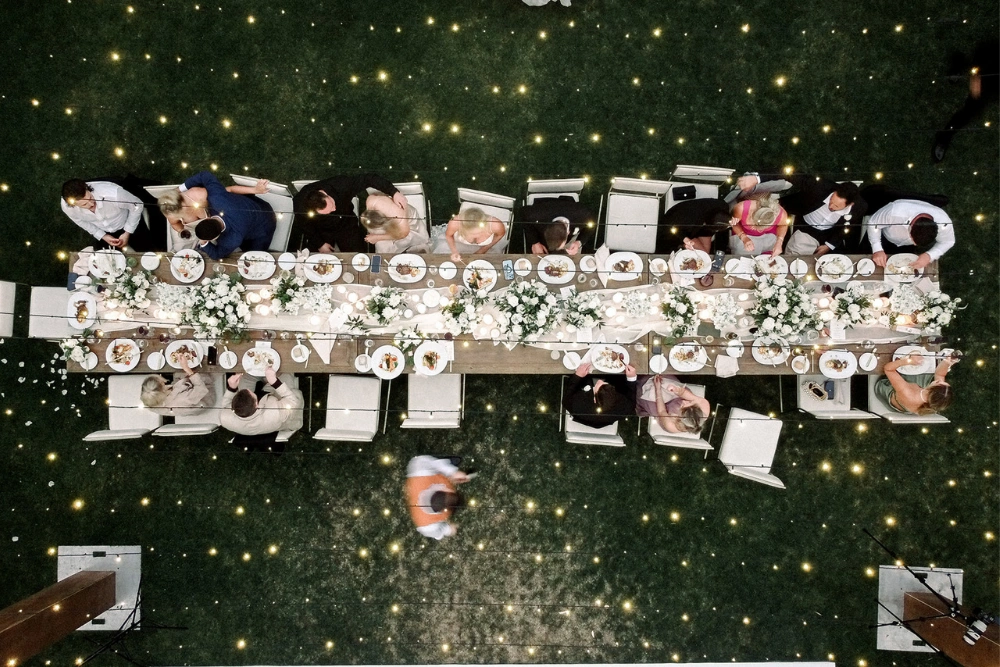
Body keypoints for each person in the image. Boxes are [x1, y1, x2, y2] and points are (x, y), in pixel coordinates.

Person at [731, 173, 867, 256]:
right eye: (831, 201)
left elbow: (846, 228)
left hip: (830, 233)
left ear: (850, 205)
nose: (830, 206)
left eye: (836, 207)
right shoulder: (818, 186)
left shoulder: (860, 207)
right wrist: (756, 178)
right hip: (806, 224)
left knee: (837, 263)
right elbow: (790, 173)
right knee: (795, 257)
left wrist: (830, 244)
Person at [293, 174, 407, 253]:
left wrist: (394, 192)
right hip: (321, 230)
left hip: (346, 224)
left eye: (332, 204)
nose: (333, 209)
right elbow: (304, 225)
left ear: (324, 193)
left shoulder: (341, 185)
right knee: (314, 261)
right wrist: (320, 244)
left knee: (358, 257)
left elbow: (369, 178)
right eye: (327, 212)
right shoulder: (299, 203)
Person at [177, 172, 276, 259]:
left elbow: (216, 254)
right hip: (256, 206)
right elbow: (205, 175)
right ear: (207, 219)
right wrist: (178, 190)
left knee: (253, 257)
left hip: (265, 226)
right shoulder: (216, 198)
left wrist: (203, 243)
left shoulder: (232, 239)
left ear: (214, 238)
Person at [932, 38, 999, 163]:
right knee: (972, 108)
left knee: (974, 108)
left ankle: (960, 65)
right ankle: (959, 64)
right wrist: (977, 77)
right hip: (989, 61)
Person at [61, 179, 161, 252]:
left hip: (128, 222)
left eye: (90, 197)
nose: (91, 204)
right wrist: (103, 236)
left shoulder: (113, 194)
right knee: (106, 266)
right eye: (84, 205)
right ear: (73, 204)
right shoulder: (68, 208)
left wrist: (127, 232)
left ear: (88, 189)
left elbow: (137, 205)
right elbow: (81, 222)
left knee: (150, 256)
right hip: (104, 231)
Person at [863, 198, 954, 270]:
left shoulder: (944, 223)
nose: (914, 244)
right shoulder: (894, 212)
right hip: (883, 236)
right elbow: (874, 223)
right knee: (865, 260)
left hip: (906, 246)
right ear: (910, 228)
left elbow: (948, 241)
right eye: (913, 240)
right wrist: (877, 248)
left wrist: (929, 256)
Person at [220, 368, 304, 436]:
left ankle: (262, 375)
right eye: (251, 393)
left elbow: (225, 405)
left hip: (254, 404)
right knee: (285, 371)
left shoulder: (224, 419)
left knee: (245, 372)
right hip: (274, 402)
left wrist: (232, 388)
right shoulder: (275, 413)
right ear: (257, 404)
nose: (248, 390)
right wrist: (275, 382)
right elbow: (293, 401)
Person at [405, 455, 471, 540]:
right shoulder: (426, 526)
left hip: (432, 471)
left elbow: (423, 460)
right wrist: (449, 529)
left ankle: (446, 462)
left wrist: (452, 472)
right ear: (443, 510)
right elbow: (439, 532)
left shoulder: (420, 470)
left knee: (438, 464)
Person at [873, 352, 957, 415]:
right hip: (913, 390)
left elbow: (888, 369)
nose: (940, 380)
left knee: (919, 368)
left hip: (886, 388)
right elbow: (940, 374)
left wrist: (908, 361)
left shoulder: (908, 393)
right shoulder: (932, 399)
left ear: (931, 391)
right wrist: (947, 362)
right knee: (926, 371)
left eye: (939, 382)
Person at [563, 361, 637, 428]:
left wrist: (577, 376)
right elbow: (631, 399)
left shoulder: (576, 405)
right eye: (604, 383)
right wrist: (631, 378)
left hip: (585, 412)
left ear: (594, 399)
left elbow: (567, 396)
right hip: (612, 379)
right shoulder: (625, 409)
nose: (600, 381)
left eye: (599, 385)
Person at [140, 352, 216, 417]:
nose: (164, 381)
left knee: (177, 366)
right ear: (163, 390)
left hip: (183, 389)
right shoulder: (182, 400)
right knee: (205, 363)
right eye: (162, 383)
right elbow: (201, 389)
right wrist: (187, 369)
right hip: (204, 396)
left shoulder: (151, 401)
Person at [634, 375, 710, 434]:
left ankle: (636, 382)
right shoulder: (704, 405)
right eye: (690, 402)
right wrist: (677, 390)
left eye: (683, 405)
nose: (684, 401)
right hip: (676, 397)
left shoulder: (671, 425)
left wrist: (658, 389)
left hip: (662, 411)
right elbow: (683, 393)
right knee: (664, 378)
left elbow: (661, 411)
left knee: (647, 392)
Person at [359, 192, 430, 254]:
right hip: (390, 223)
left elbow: (402, 234)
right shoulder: (371, 200)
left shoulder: (399, 217)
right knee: (381, 245)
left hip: (408, 226)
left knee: (402, 242)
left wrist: (377, 237)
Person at [520, 198, 595, 255]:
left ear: (568, 232)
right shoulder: (535, 215)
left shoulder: (583, 215)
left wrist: (579, 242)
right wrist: (535, 242)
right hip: (545, 209)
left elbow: (593, 224)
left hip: (570, 208)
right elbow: (523, 213)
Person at [432, 207, 507, 262]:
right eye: (470, 234)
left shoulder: (496, 225)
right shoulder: (455, 223)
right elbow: (448, 235)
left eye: (479, 233)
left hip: (486, 249)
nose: (475, 236)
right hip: (458, 246)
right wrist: (454, 251)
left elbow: (500, 234)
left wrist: (483, 250)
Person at [660, 198, 731, 254]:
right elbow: (670, 225)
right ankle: (684, 247)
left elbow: (724, 207)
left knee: (705, 254)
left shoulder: (723, 206)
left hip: (703, 226)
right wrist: (685, 239)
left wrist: (730, 219)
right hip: (680, 226)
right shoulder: (688, 219)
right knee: (702, 252)